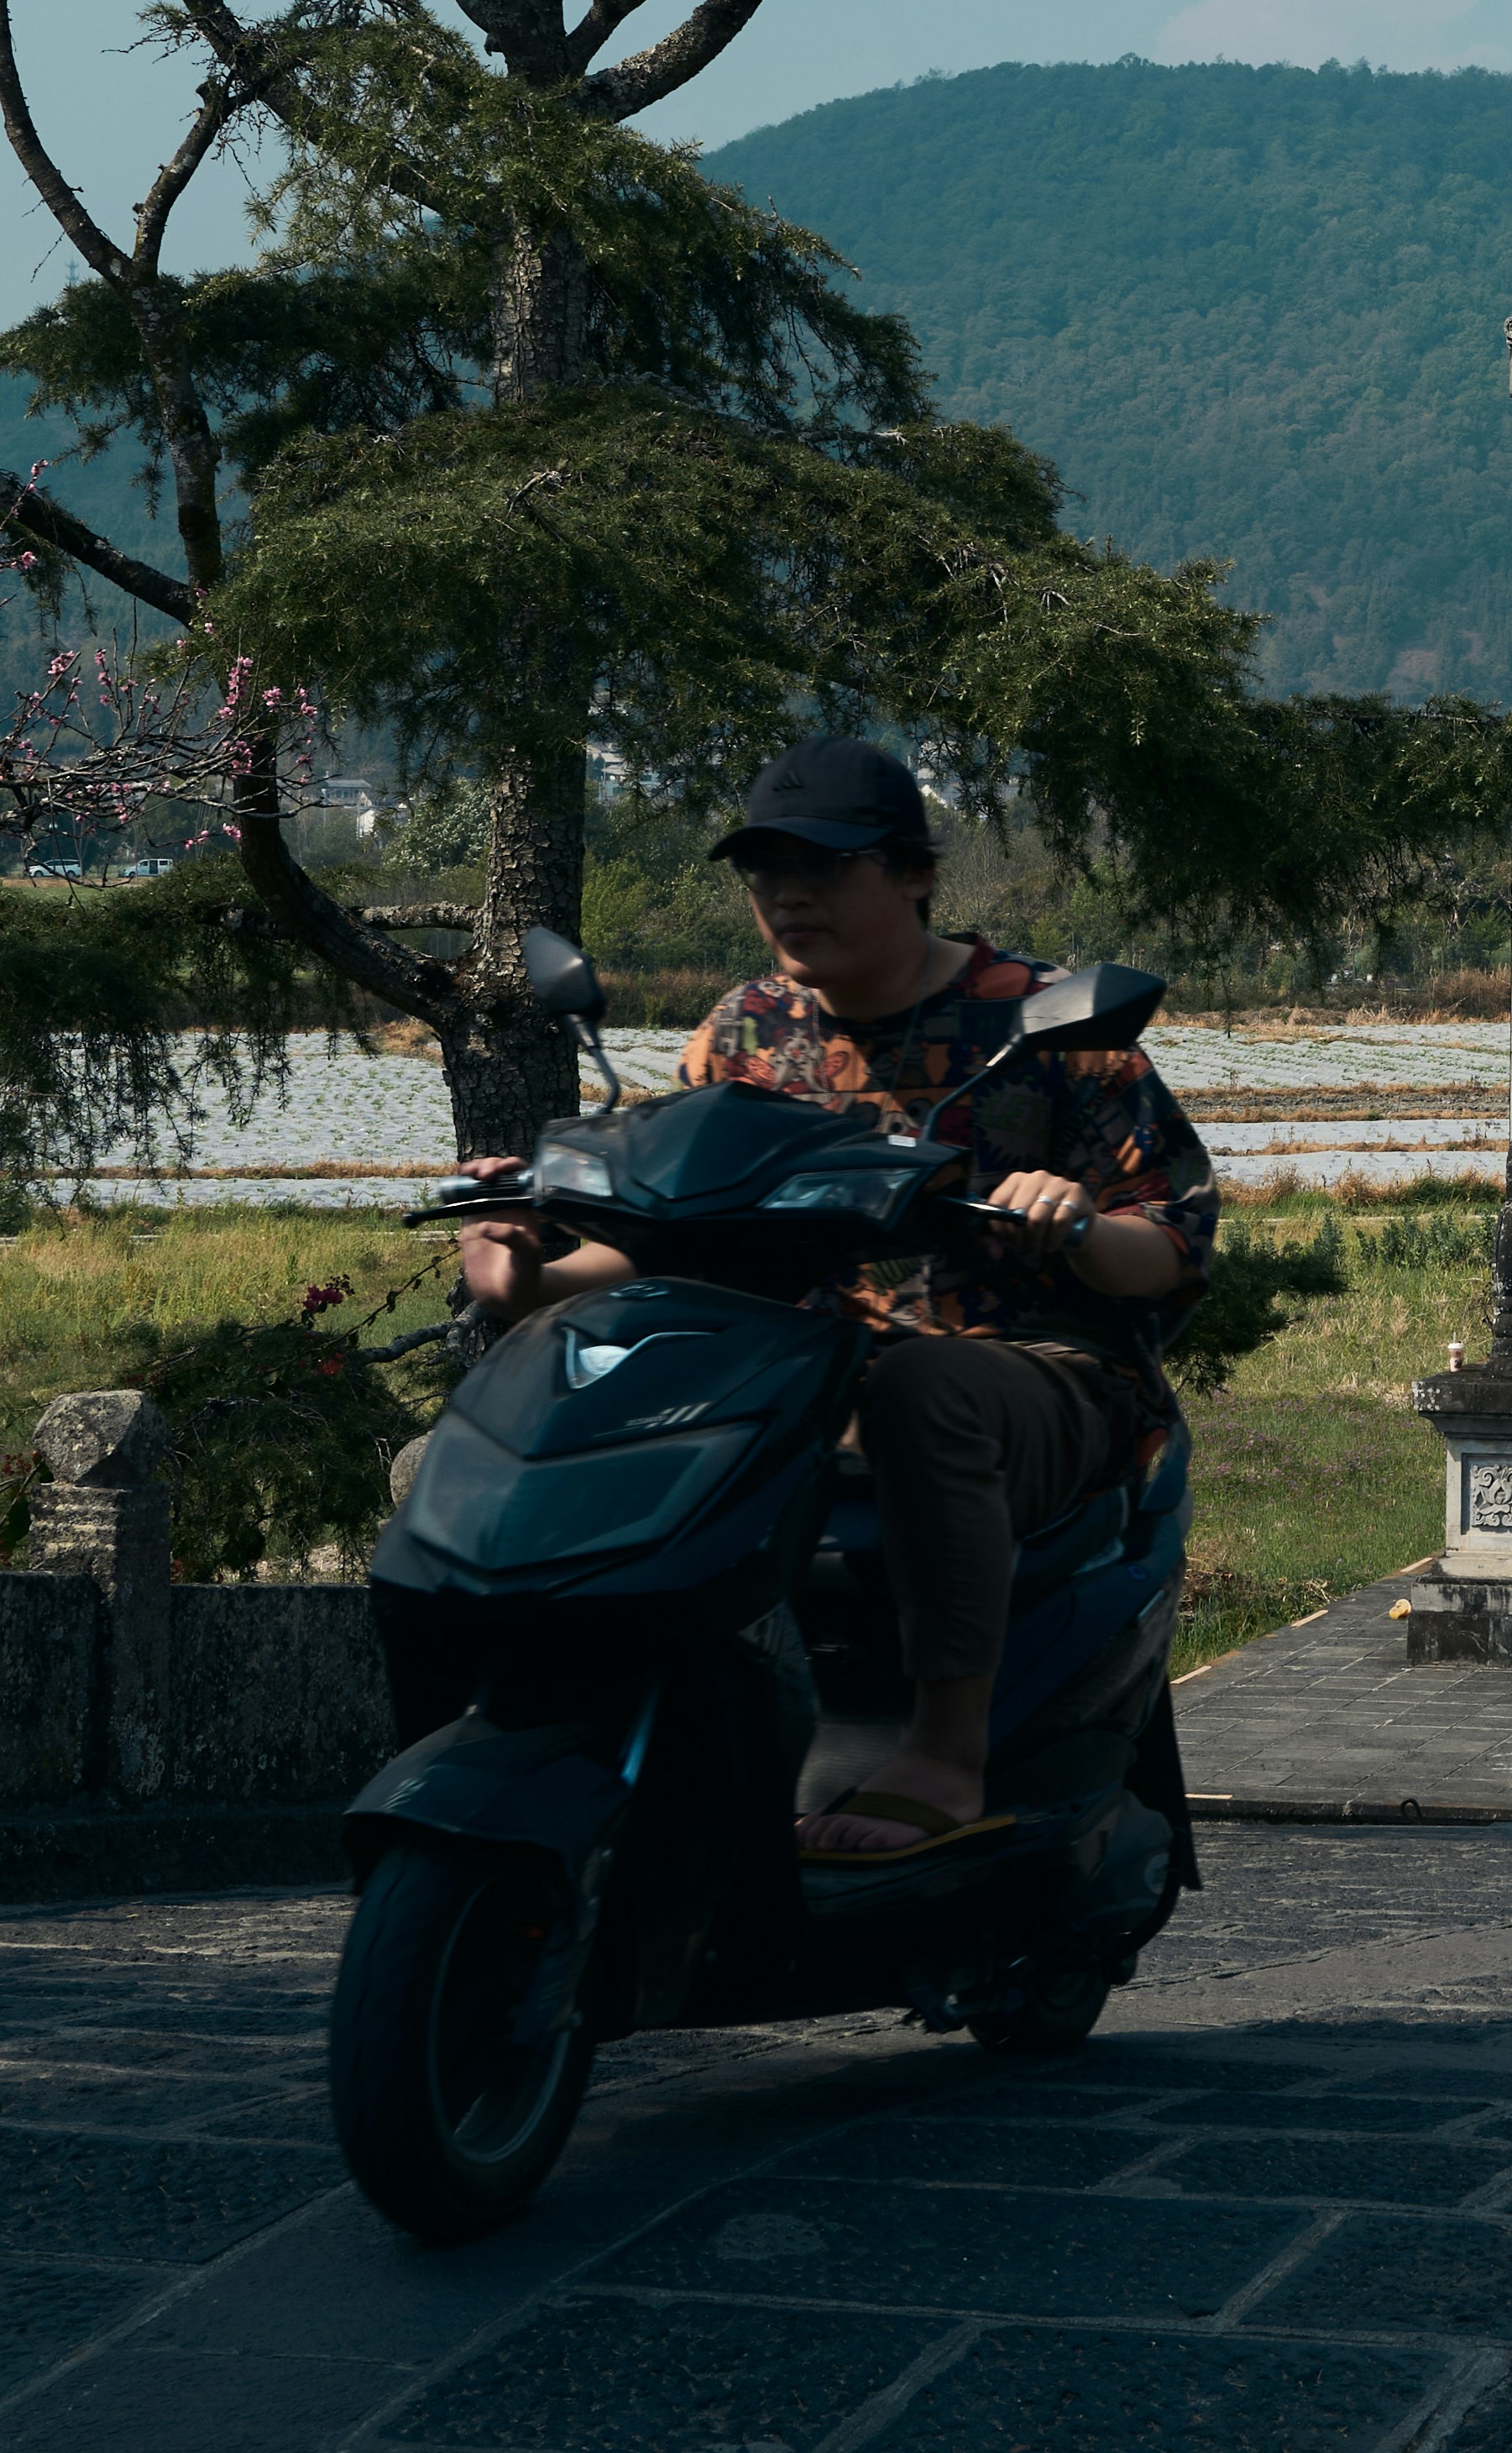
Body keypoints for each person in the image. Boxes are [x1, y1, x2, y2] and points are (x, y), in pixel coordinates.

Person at [458, 737, 1218, 1869]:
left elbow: (1172, 1241)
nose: (787, 894)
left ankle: (944, 1753)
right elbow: (671, 1242)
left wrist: (1073, 1216)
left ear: (913, 871)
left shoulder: (1041, 1021)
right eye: (764, 870)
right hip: (792, 1374)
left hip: (1035, 1372)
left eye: (823, 865)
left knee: (924, 1385)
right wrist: (532, 1279)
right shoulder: (746, 1032)